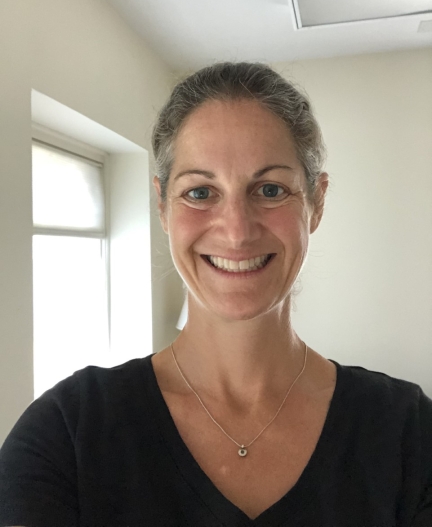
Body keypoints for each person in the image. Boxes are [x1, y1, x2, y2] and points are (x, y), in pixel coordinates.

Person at [0, 62, 431, 526]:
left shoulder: (406, 432)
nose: (237, 232)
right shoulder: (67, 434)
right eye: (201, 192)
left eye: (269, 189)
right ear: (162, 205)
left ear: (316, 202)